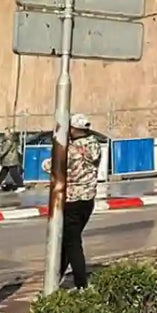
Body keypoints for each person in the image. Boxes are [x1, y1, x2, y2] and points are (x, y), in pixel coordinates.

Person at [59, 114, 102, 289]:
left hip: (72, 199)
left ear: (74, 129)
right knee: (69, 240)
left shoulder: (72, 150)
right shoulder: (95, 145)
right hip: (88, 198)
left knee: (72, 243)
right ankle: (56, 276)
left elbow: (51, 165)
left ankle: (81, 284)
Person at [0, 127, 24, 192]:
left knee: (13, 173)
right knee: (3, 173)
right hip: (8, 160)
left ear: (10, 133)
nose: (5, 133)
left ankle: (21, 186)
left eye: (6, 132)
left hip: (10, 160)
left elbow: (4, 151)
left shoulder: (9, 141)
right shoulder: (9, 140)